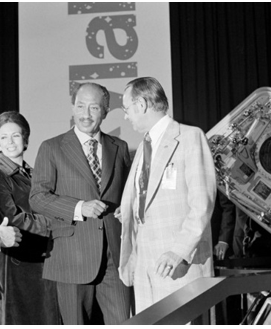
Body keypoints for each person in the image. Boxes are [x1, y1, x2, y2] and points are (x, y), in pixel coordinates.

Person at [30, 82, 133, 324]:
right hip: (71, 257)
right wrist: (79, 208)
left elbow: (127, 195)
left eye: (94, 108)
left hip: (114, 258)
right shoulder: (52, 147)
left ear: (106, 111)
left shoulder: (120, 147)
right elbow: (37, 197)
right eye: (80, 106)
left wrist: (125, 209)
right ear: (72, 107)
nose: (85, 115)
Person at [117, 77, 217, 312]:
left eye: (126, 109)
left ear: (141, 105)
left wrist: (178, 251)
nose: (125, 116)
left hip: (178, 264)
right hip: (145, 266)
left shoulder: (190, 137)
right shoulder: (143, 147)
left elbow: (202, 203)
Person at [0, 111, 60, 324]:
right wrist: (55, 226)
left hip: (41, 258)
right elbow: (13, 220)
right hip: (17, 263)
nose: (10, 142)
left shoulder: (32, 173)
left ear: (25, 139)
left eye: (15, 135)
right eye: (4, 137)